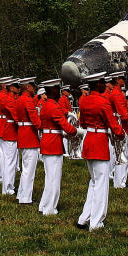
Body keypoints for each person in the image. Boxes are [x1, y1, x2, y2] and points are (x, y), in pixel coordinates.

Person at [76, 72, 125, 231]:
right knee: (101, 183)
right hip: (99, 142)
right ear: (98, 84)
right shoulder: (103, 102)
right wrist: (121, 133)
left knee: (94, 181)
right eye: (103, 82)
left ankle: (84, 218)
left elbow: (82, 123)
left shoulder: (83, 101)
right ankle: (96, 222)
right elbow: (113, 125)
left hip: (89, 140)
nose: (105, 84)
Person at [37, 79, 78, 216]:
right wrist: (78, 132)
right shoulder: (52, 106)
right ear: (52, 90)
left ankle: (44, 204)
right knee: (54, 177)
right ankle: (49, 208)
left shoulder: (47, 105)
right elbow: (66, 127)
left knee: (50, 177)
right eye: (57, 88)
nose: (59, 91)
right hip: (53, 143)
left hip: (49, 141)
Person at [12, 77, 42, 205]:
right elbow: (36, 121)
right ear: (28, 87)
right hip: (29, 136)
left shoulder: (19, 99)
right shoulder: (28, 100)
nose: (34, 89)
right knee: (29, 169)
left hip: (23, 134)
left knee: (26, 167)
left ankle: (21, 194)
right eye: (33, 86)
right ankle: (25, 198)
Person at [105, 71, 128, 188]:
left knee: (119, 152)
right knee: (122, 153)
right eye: (122, 78)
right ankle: (120, 182)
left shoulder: (116, 93)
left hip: (119, 122)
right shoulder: (117, 94)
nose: (124, 80)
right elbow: (122, 114)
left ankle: (119, 181)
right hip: (120, 124)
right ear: (117, 79)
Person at [0, 78, 20, 195]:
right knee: (9, 162)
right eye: (17, 86)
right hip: (11, 132)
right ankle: (7, 188)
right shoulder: (9, 99)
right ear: (11, 88)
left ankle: (9, 186)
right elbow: (16, 117)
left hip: (10, 131)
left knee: (9, 161)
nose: (19, 89)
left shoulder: (10, 98)